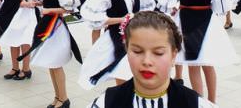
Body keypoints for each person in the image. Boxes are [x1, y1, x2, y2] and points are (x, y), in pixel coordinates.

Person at [155, 0, 239, 103]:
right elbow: (224, 2)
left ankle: (199, 101)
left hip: (185, 17)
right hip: (206, 19)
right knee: (208, 63)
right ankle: (212, 101)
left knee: (193, 64)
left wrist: (173, 6)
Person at [88, 11, 218, 108]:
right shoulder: (105, 103)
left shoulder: (195, 104)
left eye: (158, 53)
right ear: (127, 51)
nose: (147, 61)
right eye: (137, 51)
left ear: (173, 56)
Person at [78, 0, 156, 90]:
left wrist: (137, 18)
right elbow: (90, 13)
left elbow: (149, 6)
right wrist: (121, 20)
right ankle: (122, 96)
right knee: (121, 68)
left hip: (137, 34)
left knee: (137, 68)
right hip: (116, 34)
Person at [20, 0, 82, 108]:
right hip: (47, 23)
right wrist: (39, 4)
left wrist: (48, 11)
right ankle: (58, 97)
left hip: (56, 27)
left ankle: (64, 98)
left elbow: (69, 8)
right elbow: (48, 0)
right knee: (51, 64)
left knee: (55, 64)